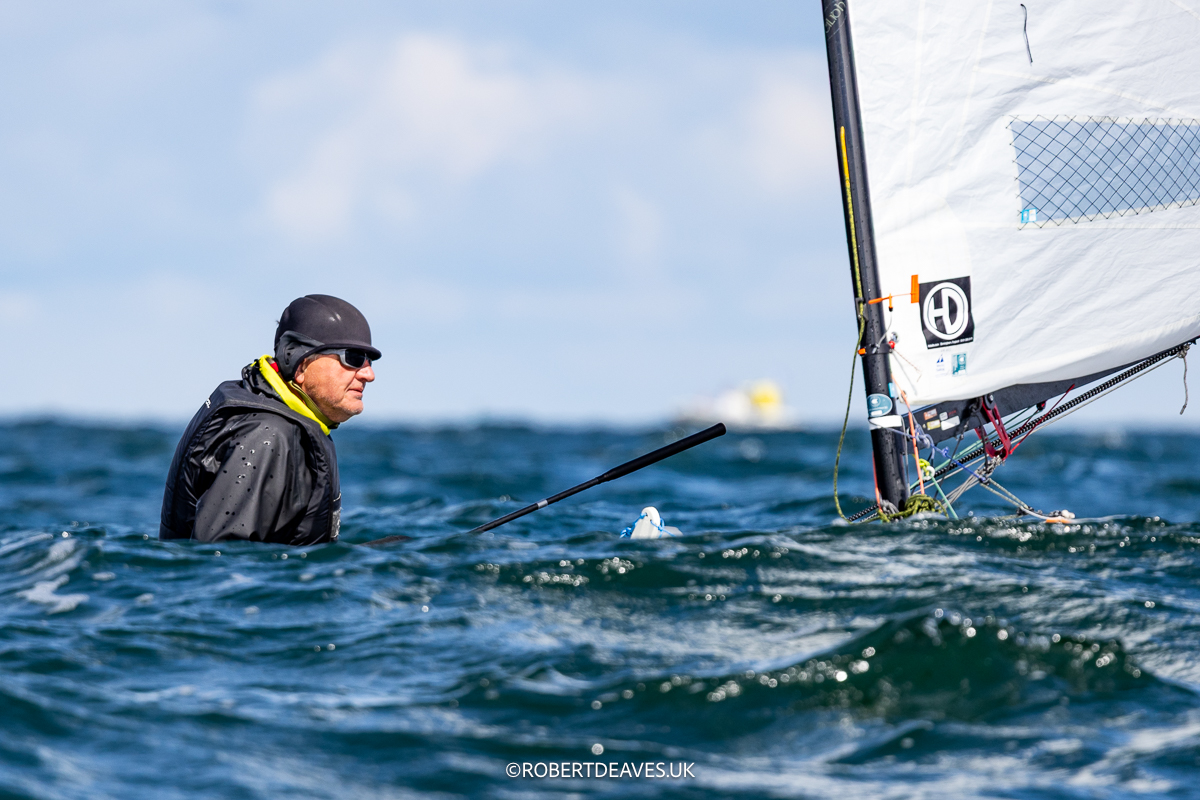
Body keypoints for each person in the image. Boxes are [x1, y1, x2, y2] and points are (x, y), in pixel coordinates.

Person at [159, 295, 380, 545]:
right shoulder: (267, 435)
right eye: (353, 357)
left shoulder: (282, 424)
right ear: (300, 364)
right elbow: (222, 557)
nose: (369, 374)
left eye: (369, 360)